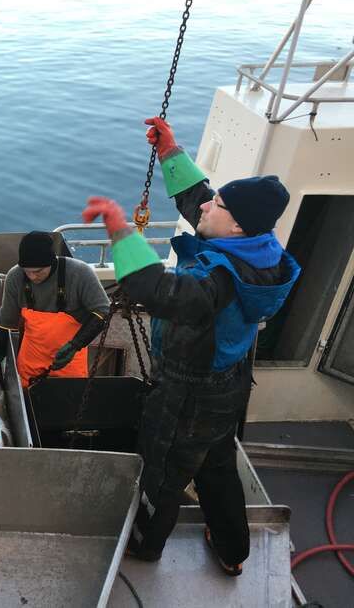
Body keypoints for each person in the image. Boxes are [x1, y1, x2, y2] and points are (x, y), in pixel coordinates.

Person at [81, 117, 301, 575]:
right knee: (217, 464)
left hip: (190, 395)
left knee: (160, 474)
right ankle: (233, 551)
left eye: (218, 204)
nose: (206, 208)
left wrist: (122, 232)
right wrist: (170, 152)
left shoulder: (219, 278)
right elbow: (199, 200)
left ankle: (144, 548)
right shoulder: (260, 248)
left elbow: (161, 293)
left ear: (237, 226)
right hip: (229, 385)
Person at [0, 231, 110, 386]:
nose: (32, 277)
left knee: (71, 396)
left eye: (38, 271)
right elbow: (5, 322)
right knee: (27, 397)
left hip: (69, 357)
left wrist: (75, 345)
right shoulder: (15, 277)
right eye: (28, 271)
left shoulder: (79, 273)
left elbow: (103, 312)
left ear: (52, 262)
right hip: (32, 355)